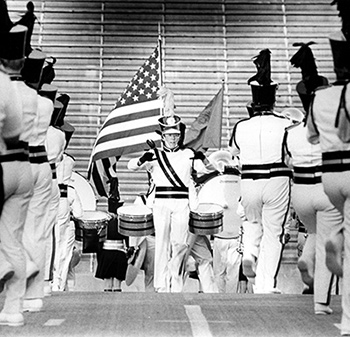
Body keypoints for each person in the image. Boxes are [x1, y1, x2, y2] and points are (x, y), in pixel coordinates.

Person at [128, 113, 217, 292]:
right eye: (169, 135)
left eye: (176, 135)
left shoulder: (188, 154)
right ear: (162, 136)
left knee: (180, 243)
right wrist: (142, 159)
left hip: (182, 202)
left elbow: (209, 170)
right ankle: (161, 284)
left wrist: (203, 158)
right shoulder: (154, 154)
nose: (173, 138)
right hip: (161, 202)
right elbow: (131, 167)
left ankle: (175, 283)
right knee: (161, 243)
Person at [228, 49, 292, 293]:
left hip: (249, 181)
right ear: (273, 99)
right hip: (276, 179)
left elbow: (233, 152)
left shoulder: (241, 126)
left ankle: (251, 253)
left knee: (253, 224)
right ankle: (265, 285)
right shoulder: (285, 123)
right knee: (273, 233)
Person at [306, 4, 350, 332]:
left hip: (329, 176)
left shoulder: (320, 97)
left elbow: (310, 136)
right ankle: (348, 320)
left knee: (327, 232)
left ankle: (337, 235)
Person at [283, 107, 343, 315]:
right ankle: (321, 301)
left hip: (300, 190)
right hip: (324, 189)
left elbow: (287, 161)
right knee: (328, 242)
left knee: (314, 232)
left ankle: (306, 260)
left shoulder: (290, 132)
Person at [0, 25, 33, 327]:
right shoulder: (10, 86)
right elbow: (13, 132)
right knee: (13, 240)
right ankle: (13, 308)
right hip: (21, 165)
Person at [21, 49, 54, 312]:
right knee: (37, 230)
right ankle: (34, 294)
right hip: (42, 165)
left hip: (18, 163)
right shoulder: (47, 103)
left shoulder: (13, 97)